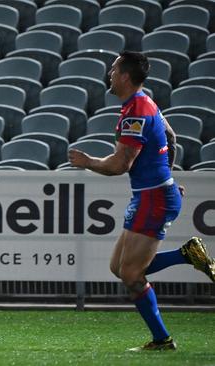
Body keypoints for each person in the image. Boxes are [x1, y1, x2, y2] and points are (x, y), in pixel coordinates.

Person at [68, 51, 214, 351]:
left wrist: (87, 162)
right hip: (152, 195)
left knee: (132, 273)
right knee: (118, 268)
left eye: (113, 69)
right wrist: (167, 178)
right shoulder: (146, 103)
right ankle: (185, 255)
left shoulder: (135, 111)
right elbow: (171, 138)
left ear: (124, 76)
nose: (109, 74)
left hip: (154, 199)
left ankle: (162, 339)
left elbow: (119, 165)